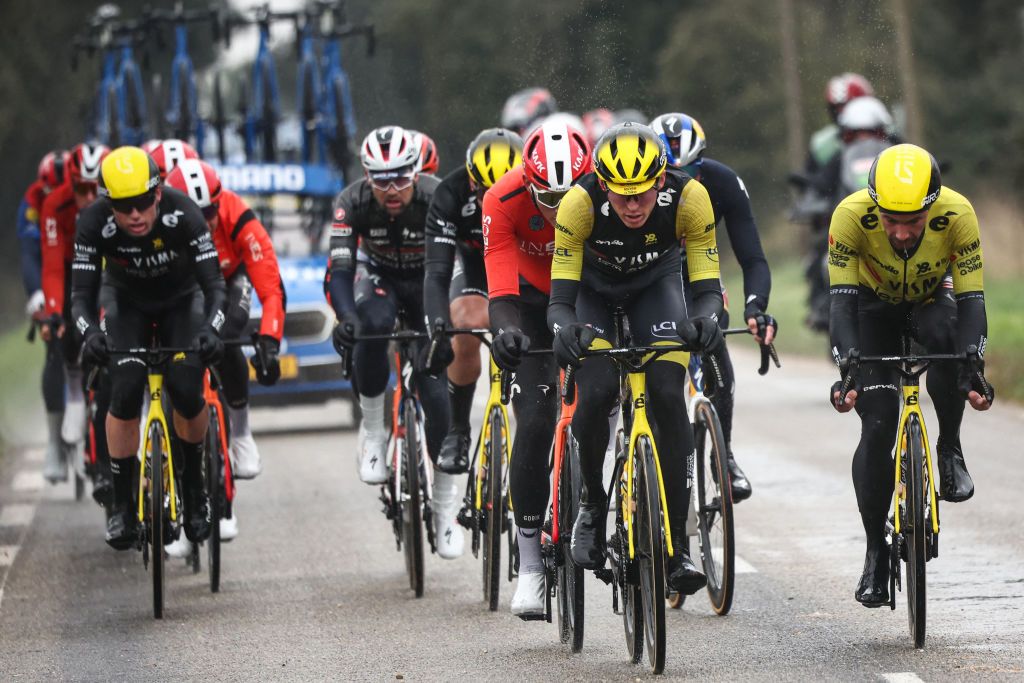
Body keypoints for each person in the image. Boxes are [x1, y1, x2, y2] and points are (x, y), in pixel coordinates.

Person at [547, 122, 724, 596]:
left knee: (668, 394)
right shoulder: (578, 204)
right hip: (593, 294)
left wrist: (706, 320)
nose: (631, 206)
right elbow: (560, 299)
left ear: (662, 180)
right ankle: (591, 500)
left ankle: (678, 548)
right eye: (621, 195)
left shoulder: (691, 198)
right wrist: (564, 330)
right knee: (599, 389)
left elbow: (707, 290)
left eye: (642, 194)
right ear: (602, 184)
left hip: (656, 287)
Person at [827, 143, 992, 606]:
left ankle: (949, 448)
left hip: (929, 302)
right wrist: (848, 365)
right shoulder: (849, 215)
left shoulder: (957, 213)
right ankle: (876, 553)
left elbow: (973, 301)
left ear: (932, 207)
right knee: (878, 424)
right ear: (874, 203)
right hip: (869, 309)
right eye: (890, 220)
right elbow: (839, 300)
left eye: (913, 222)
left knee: (950, 345)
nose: (900, 233)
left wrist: (973, 364)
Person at [71, 146, 227, 550]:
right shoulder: (92, 223)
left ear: (158, 194)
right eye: (123, 207)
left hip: (182, 302)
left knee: (186, 388)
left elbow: (215, 287)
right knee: (122, 390)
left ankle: (195, 493)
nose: (135, 215)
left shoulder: (184, 214)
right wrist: (90, 334)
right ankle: (122, 506)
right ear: (108, 205)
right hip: (127, 305)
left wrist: (212, 328)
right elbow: (80, 297)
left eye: (142, 202)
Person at [324, 126, 461, 558]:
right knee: (371, 324)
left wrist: (449, 321)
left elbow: (457, 269)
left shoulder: (437, 197)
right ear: (367, 176)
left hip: (428, 283)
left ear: (417, 170)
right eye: (381, 179)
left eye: (402, 177)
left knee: (435, 384)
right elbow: (342, 270)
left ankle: (444, 514)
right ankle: (374, 430)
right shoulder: (352, 203)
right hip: (378, 279)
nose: (392, 189)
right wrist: (345, 317)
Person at [482, 119, 591, 617]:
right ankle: (528, 565)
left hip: (585, 294)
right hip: (527, 301)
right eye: (545, 198)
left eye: (566, 198)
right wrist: (506, 332)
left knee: (604, 399)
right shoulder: (501, 201)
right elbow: (501, 288)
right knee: (535, 421)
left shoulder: (603, 193)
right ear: (527, 183)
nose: (555, 210)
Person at [650, 112, 777, 502]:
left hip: (699, 274)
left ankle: (724, 457)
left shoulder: (723, 183)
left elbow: (753, 258)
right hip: (650, 276)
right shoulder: (634, 193)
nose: (681, 183)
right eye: (670, 175)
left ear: (702, 163)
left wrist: (755, 308)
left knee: (713, 342)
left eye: (690, 171)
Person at [166, 159, 285, 538]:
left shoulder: (238, 216)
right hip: (184, 292)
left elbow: (270, 287)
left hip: (230, 281)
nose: (206, 221)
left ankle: (240, 432)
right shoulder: (160, 225)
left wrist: (269, 339)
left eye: (211, 211)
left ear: (222, 201)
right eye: (195, 214)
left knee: (227, 335)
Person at [422, 127, 524, 474]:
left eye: (502, 189)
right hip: (475, 271)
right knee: (463, 325)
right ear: (470, 178)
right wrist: (438, 329)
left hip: (522, 268)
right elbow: (436, 273)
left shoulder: (534, 191)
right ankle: (458, 430)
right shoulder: (449, 194)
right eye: (482, 189)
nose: (490, 198)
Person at [39, 143, 109, 484]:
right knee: (66, 326)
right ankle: (73, 388)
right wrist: (53, 312)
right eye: (82, 189)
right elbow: (52, 267)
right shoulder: (55, 204)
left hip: (111, 267)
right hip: (71, 267)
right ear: (71, 183)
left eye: (97, 189)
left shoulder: (120, 204)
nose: (90, 197)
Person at [799, 73, 875, 332]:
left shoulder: (890, 136)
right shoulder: (824, 143)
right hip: (839, 208)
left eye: (850, 106)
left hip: (887, 207)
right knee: (821, 245)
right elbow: (816, 177)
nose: (845, 113)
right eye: (839, 108)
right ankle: (821, 304)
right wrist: (810, 196)